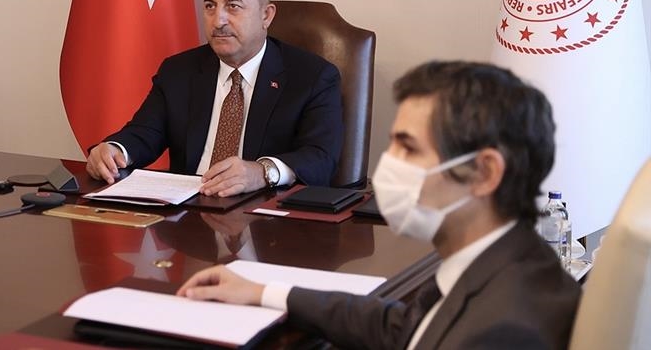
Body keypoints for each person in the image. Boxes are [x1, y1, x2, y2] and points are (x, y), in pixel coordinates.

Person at [178, 61, 582, 349]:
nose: (388, 164)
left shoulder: (505, 328)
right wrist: (266, 292)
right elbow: (401, 328)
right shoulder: (495, 261)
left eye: (409, 148)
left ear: (485, 172)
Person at [86, 0, 343, 196]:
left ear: (266, 15)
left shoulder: (312, 77)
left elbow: (320, 157)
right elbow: (144, 133)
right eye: (210, 6)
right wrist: (114, 150)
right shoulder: (179, 70)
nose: (218, 20)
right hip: (186, 210)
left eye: (233, 6)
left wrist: (262, 172)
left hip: (262, 213)